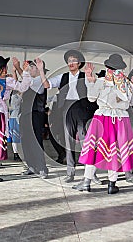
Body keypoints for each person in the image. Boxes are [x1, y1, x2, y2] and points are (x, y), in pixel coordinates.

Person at [72, 54, 133, 194]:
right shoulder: (127, 84)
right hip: (120, 119)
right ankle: (111, 184)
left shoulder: (101, 81)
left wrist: (90, 81)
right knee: (115, 152)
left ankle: (86, 182)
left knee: (94, 150)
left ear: (108, 67)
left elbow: (91, 98)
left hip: (102, 118)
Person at [42, 49, 98, 183]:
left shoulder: (85, 76)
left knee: (86, 142)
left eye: (74, 60)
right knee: (68, 142)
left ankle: (90, 174)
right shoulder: (63, 77)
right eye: (69, 61)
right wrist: (40, 70)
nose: (71, 63)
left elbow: (93, 89)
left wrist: (90, 77)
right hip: (66, 110)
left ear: (79, 63)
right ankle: (70, 172)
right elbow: (46, 85)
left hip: (82, 110)